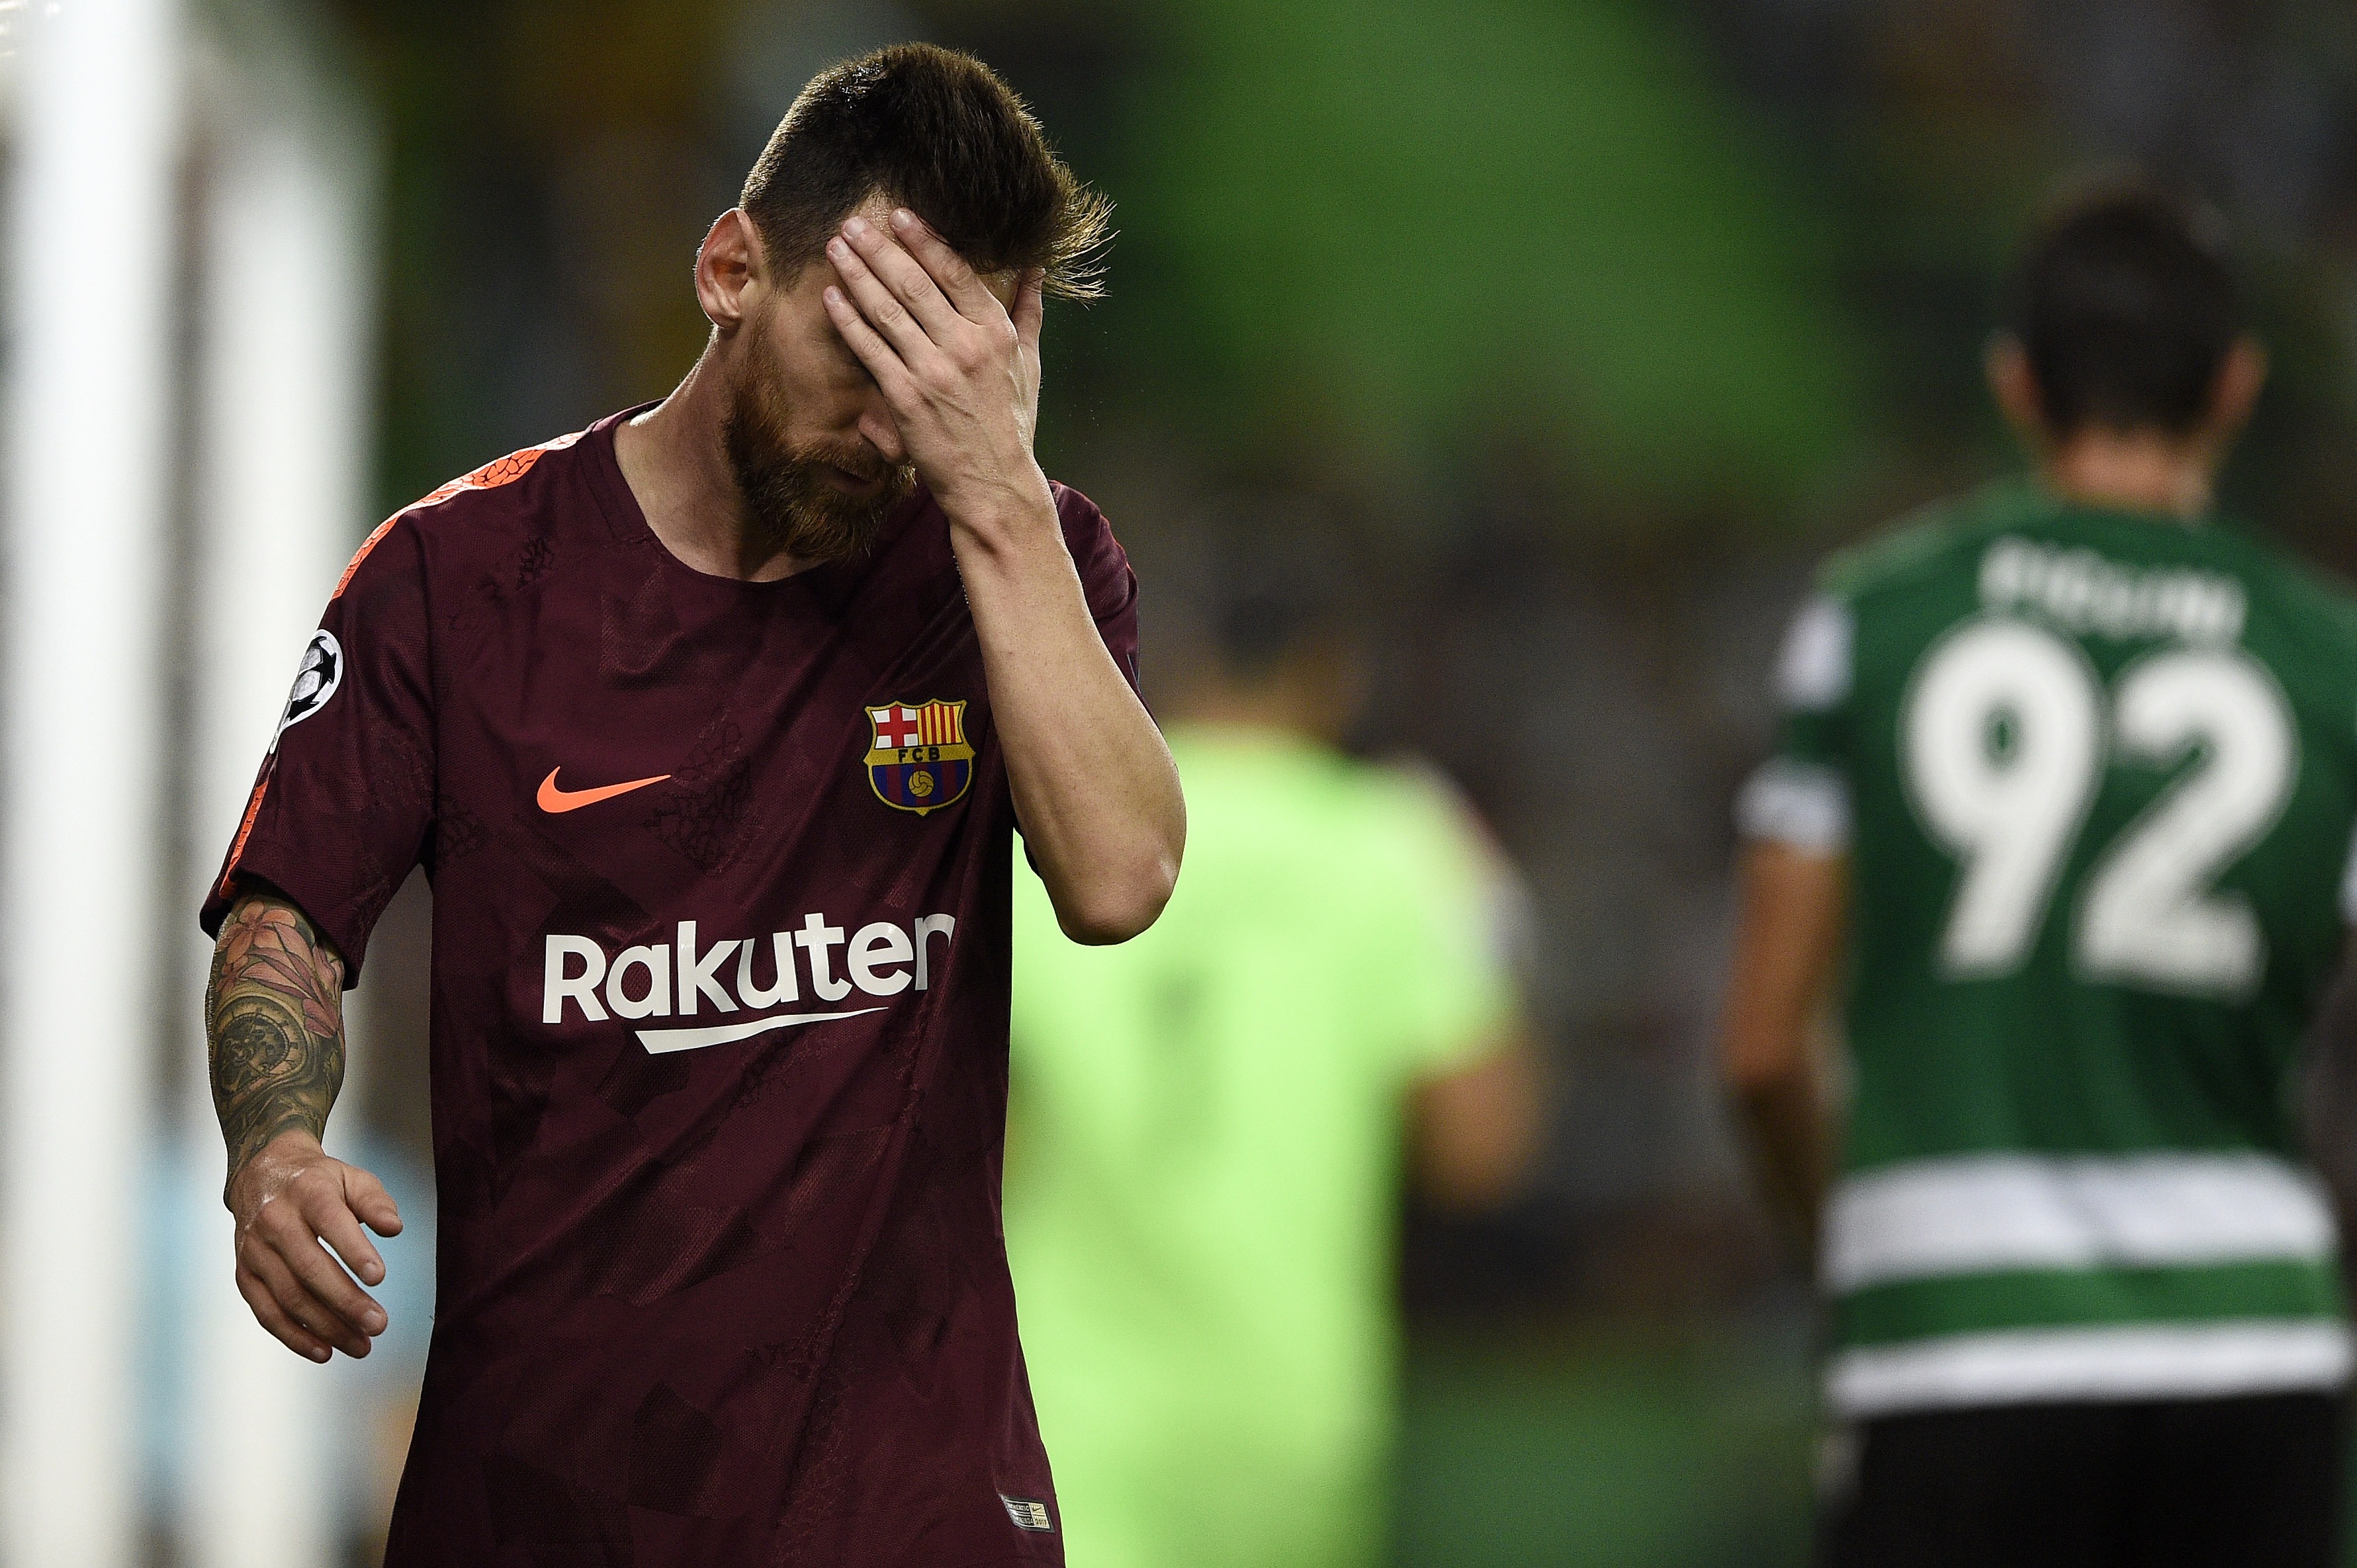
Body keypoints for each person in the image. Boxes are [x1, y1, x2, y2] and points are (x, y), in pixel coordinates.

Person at [197, 44, 1183, 1566]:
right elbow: (287, 916)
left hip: (907, 1511)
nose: (889, 433)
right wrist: (273, 1150)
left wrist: (992, 493)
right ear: (732, 268)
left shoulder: (1006, 564)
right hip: (542, 1505)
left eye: (945, 385)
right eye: (864, 363)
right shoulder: (453, 582)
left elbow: (1118, 881)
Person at [1722, 177, 2357, 1567]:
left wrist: (1850, 1246)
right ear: (2234, 390)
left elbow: (1762, 1050)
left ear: (2014, 384)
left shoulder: (1873, 620)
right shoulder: (2328, 660)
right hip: (2252, 1337)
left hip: (1953, 1328)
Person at [1003, 531, 1542, 1568]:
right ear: (1333, 674)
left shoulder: (1053, 836)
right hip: (1291, 1417)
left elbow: (973, 1136)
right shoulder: (1396, 845)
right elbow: (1483, 1151)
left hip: (1068, 1406)